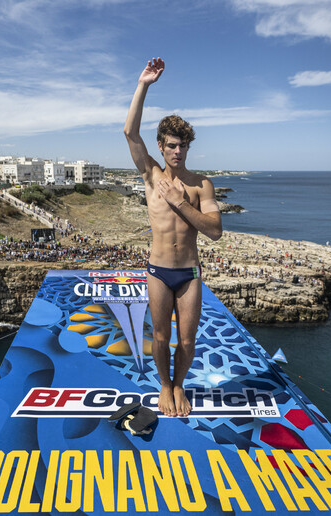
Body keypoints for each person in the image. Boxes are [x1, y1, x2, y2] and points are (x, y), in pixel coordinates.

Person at [124, 57, 223, 418]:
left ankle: (179, 385)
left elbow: (214, 231)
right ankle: (165, 387)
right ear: (162, 147)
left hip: (190, 273)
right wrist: (143, 85)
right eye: (171, 146)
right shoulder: (151, 177)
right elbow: (130, 134)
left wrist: (180, 202)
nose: (178, 152)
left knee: (187, 340)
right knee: (161, 338)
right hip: (158, 271)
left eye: (183, 146)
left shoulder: (201, 184)